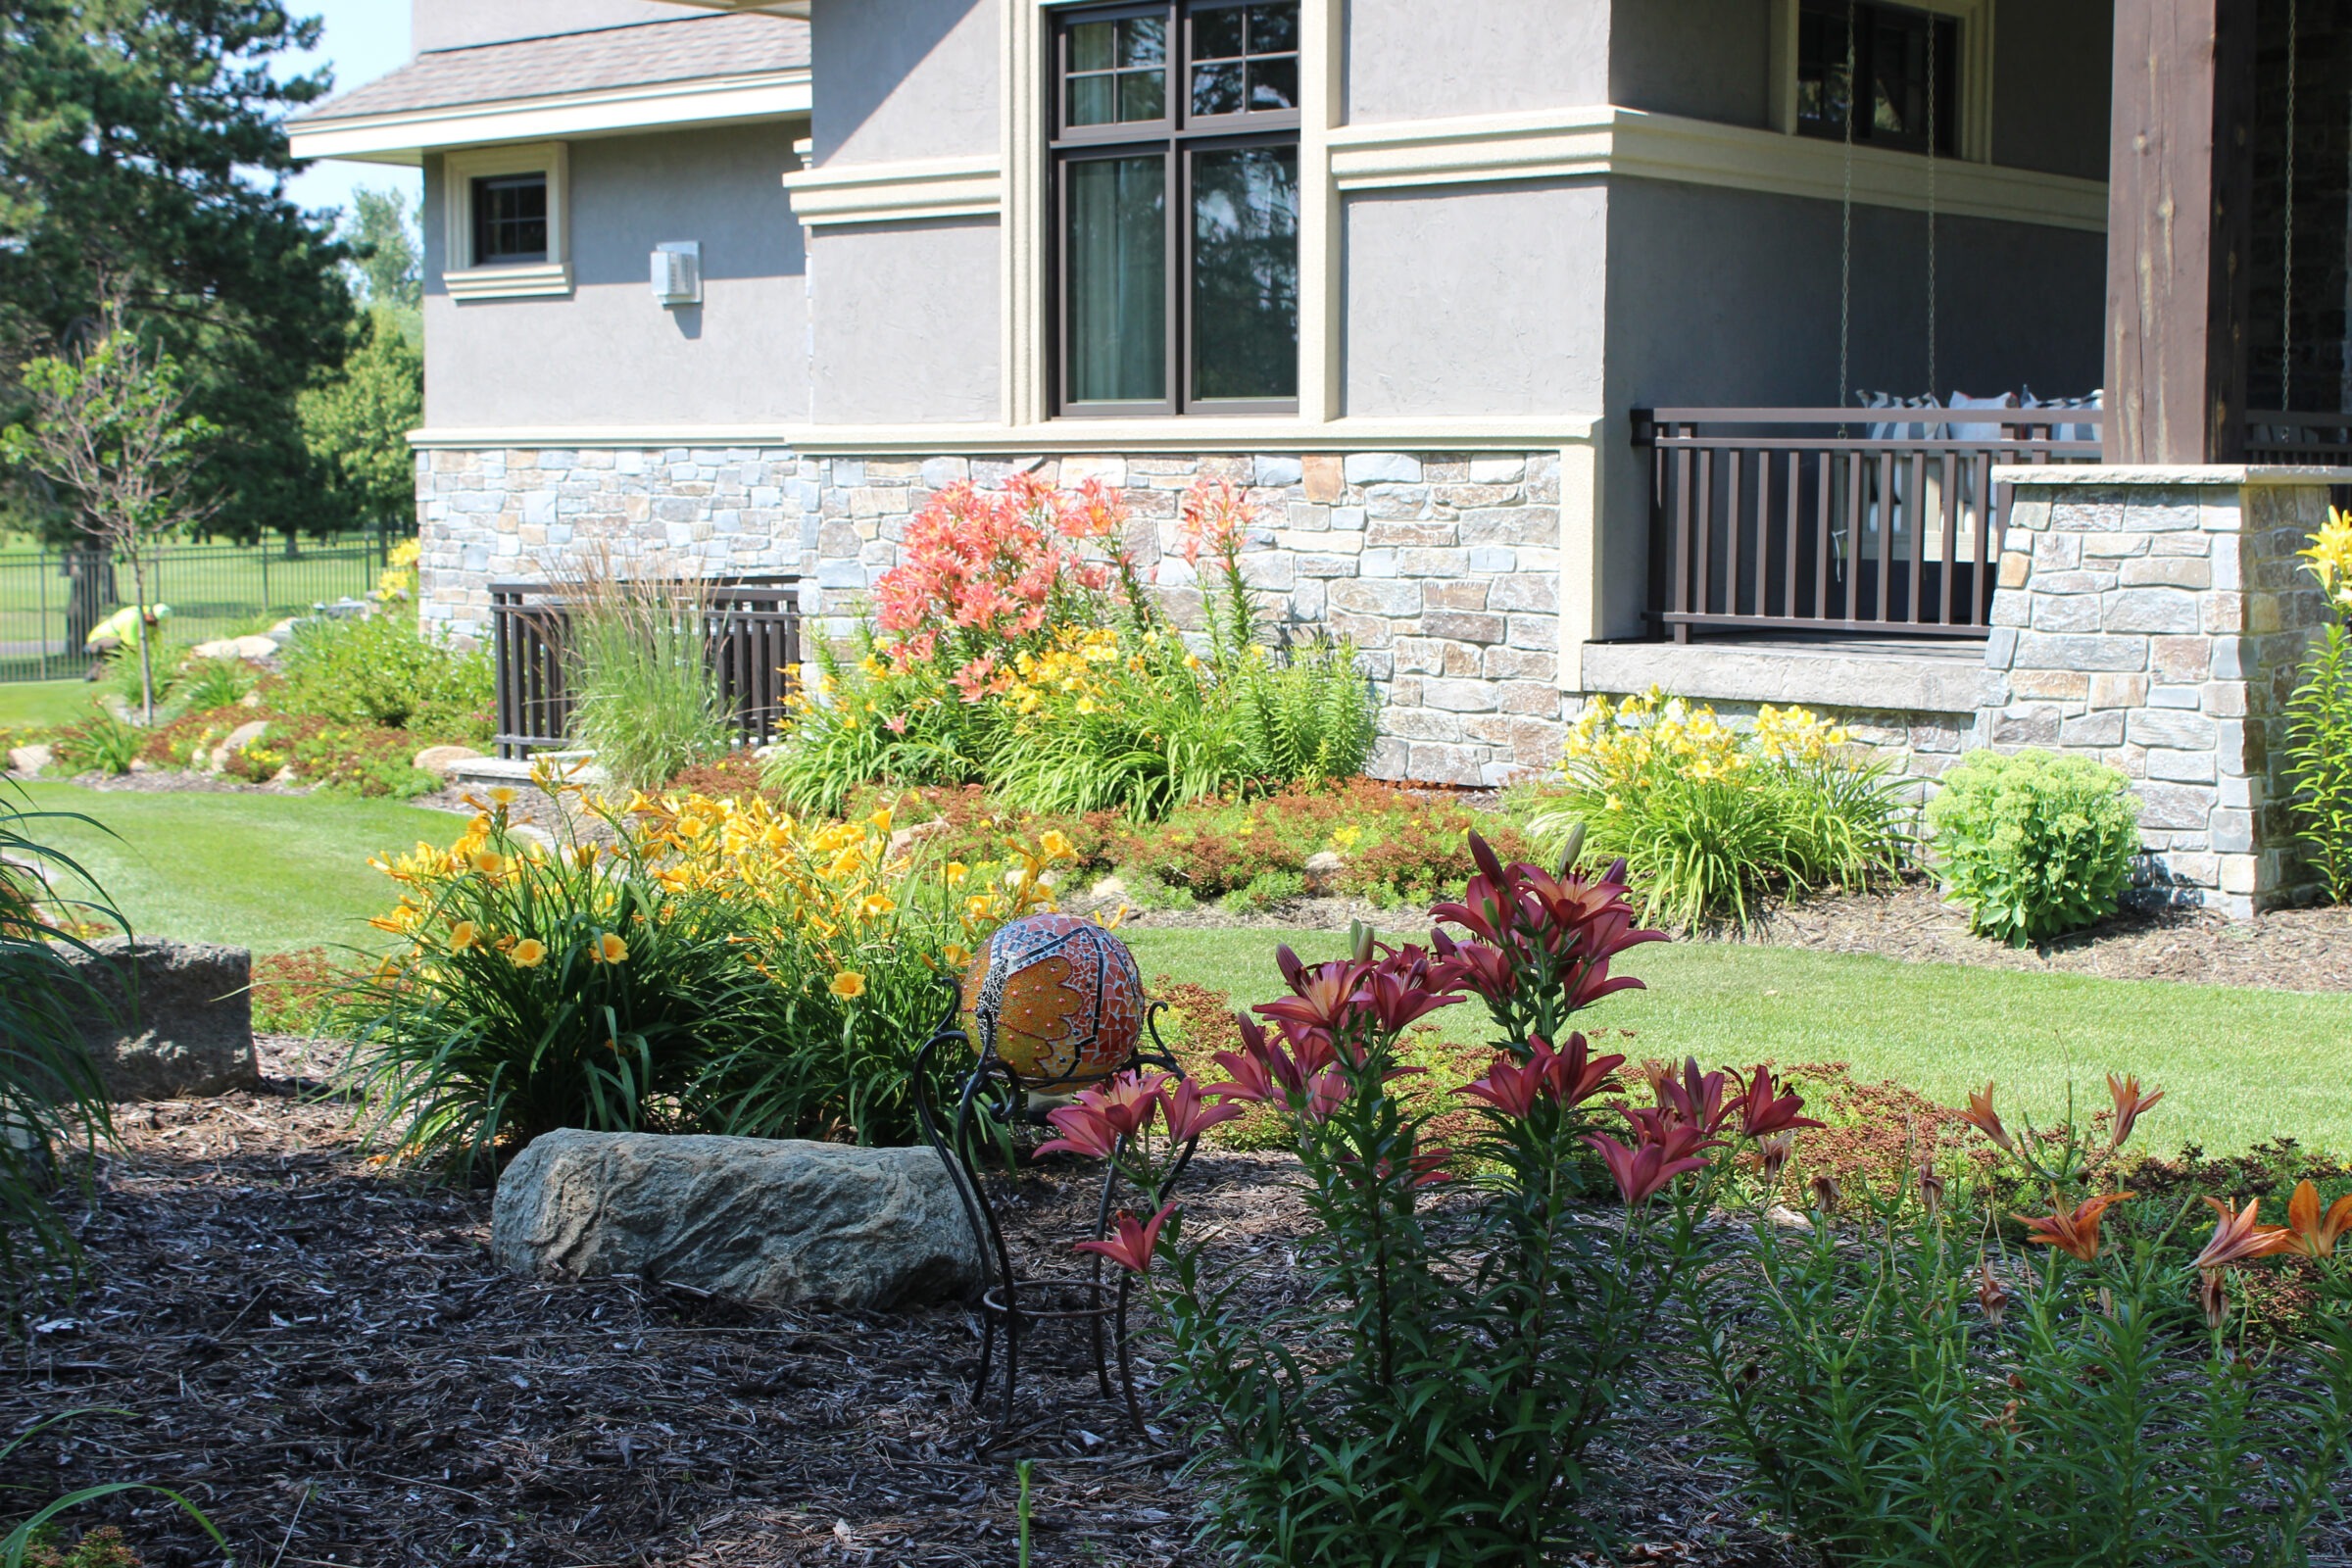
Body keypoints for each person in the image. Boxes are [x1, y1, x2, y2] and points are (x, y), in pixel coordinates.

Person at [83, 601, 172, 679]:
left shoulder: (150, 623)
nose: (156, 626)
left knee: (125, 649)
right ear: (150, 616)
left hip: (117, 642)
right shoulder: (133, 618)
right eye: (156, 622)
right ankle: (103, 673)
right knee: (123, 648)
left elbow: (157, 645)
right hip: (97, 642)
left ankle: (95, 674)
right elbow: (131, 646)